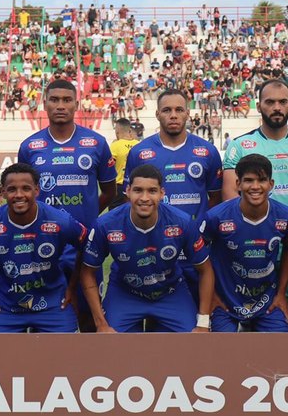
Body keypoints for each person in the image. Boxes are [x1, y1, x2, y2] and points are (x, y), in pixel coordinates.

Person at [222, 78, 288, 330]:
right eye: (270, 102)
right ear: (259, 106)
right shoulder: (239, 147)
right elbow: (229, 200)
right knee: (255, 320)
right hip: (252, 248)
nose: (277, 107)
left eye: (282, 102)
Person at [18, 79, 117, 331]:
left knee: (87, 311)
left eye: (66, 100)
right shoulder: (30, 147)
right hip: (40, 241)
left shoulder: (96, 143)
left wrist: (88, 214)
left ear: (76, 104)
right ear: (45, 104)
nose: (60, 105)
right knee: (40, 310)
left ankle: (85, 368)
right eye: (54, 100)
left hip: (84, 242)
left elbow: (109, 190)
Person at [80, 164, 214, 333]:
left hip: (170, 292)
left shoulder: (182, 222)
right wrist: (101, 324)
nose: (144, 198)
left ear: (162, 193)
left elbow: (205, 270)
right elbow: (87, 272)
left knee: (190, 342)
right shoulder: (105, 225)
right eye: (138, 190)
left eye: (152, 191)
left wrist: (202, 322)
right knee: (110, 344)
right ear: (127, 191)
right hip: (125, 292)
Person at [126, 88, 223, 301]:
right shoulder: (139, 153)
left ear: (188, 113)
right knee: (156, 317)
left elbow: (215, 199)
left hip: (194, 248)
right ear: (157, 114)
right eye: (167, 110)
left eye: (179, 109)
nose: (173, 115)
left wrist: (202, 233)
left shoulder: (207, 151)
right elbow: (130, 201)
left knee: (200, 311)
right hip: (153, 248)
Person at [0, 163, 88, 333]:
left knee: (65, 355)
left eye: (26, 188)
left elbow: (85, 246)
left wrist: (72, 288)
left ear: (37, 190)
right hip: (5, 306)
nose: (19, 195)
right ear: (2, 192)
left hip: (54, 304)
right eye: (11, 189)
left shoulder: (61, 221)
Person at [203, 154, 288, 332]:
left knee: (280, 347)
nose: (255, 187)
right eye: (248, 180)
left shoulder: (285, 216)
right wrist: (213, 296)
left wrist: (281, 294)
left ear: (271, 184)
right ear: (238, 184)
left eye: (262, 180)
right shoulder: (216, 217)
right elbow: (199, 254)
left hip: (267, 300)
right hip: (225, 300)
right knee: (222, 351)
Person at [108, 117, 139, 209]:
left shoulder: (115, 146)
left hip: (119, 186)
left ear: (117, 131)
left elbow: (109, 167)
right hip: (136, 186)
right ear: (129, 130)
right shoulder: (139, 144)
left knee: (114, 215)